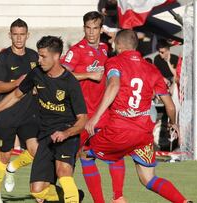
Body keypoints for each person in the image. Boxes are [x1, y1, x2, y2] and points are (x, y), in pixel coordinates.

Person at [0, 36, 87, 202]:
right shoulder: (36, 74)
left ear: (56, 57)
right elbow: (15, 96)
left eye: (43, 56)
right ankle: (72, 196)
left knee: (63, 171)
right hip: (45, 135)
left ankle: (72, 198)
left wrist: (66, 133)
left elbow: (82, 120)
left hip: (66, 133)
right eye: (39, 55)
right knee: (37, 192)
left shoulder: (70, 82)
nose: (39, 60)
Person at [85, 30, 190, 203]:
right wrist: (173, 124)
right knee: (148, 179)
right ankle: (184, 201)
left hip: (119, 129)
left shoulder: (114, 62)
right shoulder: (152, 69)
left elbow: (113, 85)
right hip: (143, 135)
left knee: (85, 154)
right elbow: (170, 105)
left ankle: (109, 199)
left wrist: (96, 117)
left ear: (118, 45)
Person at [61, 11, 125, 203]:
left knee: (114, 152)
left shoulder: (106, 49)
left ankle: (118, 197)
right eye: (88, 28)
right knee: (77, 158)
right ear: (84, 28)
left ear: (100, 29)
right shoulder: (77, 50)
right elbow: (61, 75)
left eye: (95, 28)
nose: (91, 32)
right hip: (81, 114)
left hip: (102, 113)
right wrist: (87, 75)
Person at [0, 18, 40, 202]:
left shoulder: (34, 56)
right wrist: (18, 82)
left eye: (22, 34)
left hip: (30, 113)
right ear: (10, 35)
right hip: (7, 113)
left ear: (27, 35)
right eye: (15, 34)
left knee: (35, 151)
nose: (18, 38)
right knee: (4, 155)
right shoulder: (4, 57)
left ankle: (13, 168)